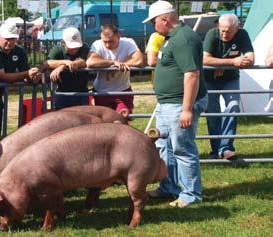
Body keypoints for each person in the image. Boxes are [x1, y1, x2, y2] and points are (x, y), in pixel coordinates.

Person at [142, 0, 208, 208]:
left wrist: (187, 109)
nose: (154, 26)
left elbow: (191, 74)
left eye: (154, 22)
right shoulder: (172, 37)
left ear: (164, 19)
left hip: (180, 104)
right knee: (165, 146)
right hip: (169, 103)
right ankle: (169, 187)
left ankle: (190, 194)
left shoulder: (183, 39)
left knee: (182, 147)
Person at [203, 14, 254, 160]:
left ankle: (226, 148)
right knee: (213, 113)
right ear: (218, 27)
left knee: (233, 107)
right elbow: (205, 59)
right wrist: (230, 63)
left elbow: (250, 58)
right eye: (222, 30)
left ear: (237, 28)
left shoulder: (243, 34)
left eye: (228, 31)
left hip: (230, 79)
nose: (224, 34)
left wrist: (221, 64)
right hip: (210, 79)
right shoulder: (212, 34)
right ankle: (216, 149)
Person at [86, 24, 143, 117]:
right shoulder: (97, 44)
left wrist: (118, 68)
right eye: (105, 42)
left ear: (119, 36)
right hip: (102, 92)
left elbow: (139, 60)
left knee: (122, 118)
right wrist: (113, 63)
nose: (107, 45)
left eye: (111, 41)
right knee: (105, 122)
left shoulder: (128, 42)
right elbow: (90, 62)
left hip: (123, 91)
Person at [45, 27, 90, 109]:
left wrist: (62, 67)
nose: (75, 49)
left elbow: (83, 62)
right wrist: (65, 62)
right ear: (63, 43)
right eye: (71, 47)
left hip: (82, 92)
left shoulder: (84, 47)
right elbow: (47, 63)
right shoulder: (57, 49)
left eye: (77, 46)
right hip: (62, 93)